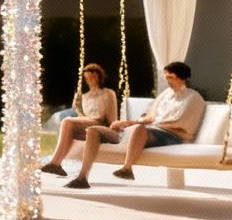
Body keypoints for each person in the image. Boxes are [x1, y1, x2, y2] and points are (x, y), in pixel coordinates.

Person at [65, 61, 204, 189]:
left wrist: (136, 125)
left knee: (138, 129)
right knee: (93, 131)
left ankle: (127, 168)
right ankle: (82, 178)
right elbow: (150, 116)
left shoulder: (192, 98)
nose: (167, 81)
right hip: (147, 131)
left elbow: (179, 125)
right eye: (166, 77)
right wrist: (126, 123)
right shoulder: (166, 95)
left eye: (171, 77)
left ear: (182, 78)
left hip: (170, 136)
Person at [40, 64, 118, 177]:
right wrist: (77, 108)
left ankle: (55, 163)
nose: (89, 80)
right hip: (90, 124)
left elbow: (104, 117)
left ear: (97, 76)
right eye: (87, 78)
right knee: (67, 123)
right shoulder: (85, 96)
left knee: (67, 121)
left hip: (103, 126)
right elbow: (85, 116)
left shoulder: (108, 93)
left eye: (91, 77)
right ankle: (56, 163)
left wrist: (114, 127)